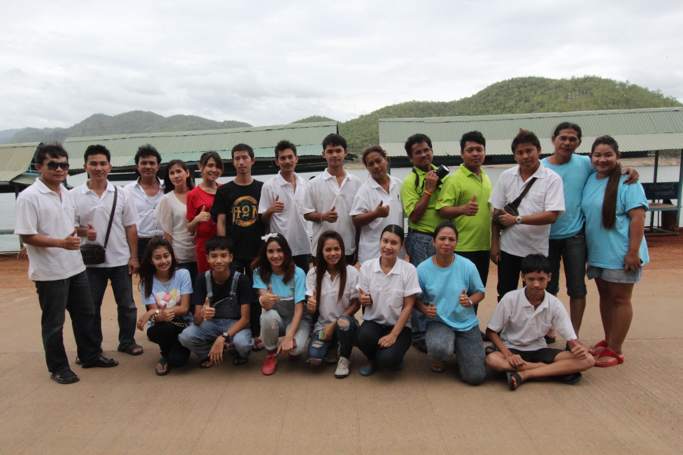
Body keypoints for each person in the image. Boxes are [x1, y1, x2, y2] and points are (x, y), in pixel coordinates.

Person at [15, 143, 118, 384]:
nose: (59, 169)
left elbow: (67, 226)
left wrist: (83, 231)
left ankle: (90, 355)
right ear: (39, 167)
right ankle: (58, 367)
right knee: (54, 322)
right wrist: (60, 243)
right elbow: (27, 235)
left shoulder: (66, 193)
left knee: (86, 313)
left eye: (63, 165)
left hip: (75, 266)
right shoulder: (29, 197)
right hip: (49, 272)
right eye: (53, 165)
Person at [542, 123, 639, 336]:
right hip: (546, 236)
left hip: (576, 236)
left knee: (577, 289)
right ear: (553, 139)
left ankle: (573, 334)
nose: (567, 143)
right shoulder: (541, 167)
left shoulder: (585, 163)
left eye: (573, 139)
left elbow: (607, 165)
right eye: (563, 138)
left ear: (579, 143)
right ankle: (548, 329)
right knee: (548, 287)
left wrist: (628, 169)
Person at [581, 135, 649, 368]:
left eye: (608, 155)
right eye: (597, 155)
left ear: (617, 156)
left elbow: (638, 217)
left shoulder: (628, 182)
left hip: (621, 253)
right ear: (591, 157)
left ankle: (616, 349)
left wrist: (633, 252)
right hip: (598, 253)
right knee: (606, 297)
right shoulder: (592, 179)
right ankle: (609, 340)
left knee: (620, 299)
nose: (602, 160)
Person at [71, 144, 143, 357]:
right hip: (90, 261)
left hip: (120, 259)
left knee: (127, 305)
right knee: (91, 307)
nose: (98, 168)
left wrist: (134, 257)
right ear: (85, 166)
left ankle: (127, 341)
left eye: (103, 163)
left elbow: (131, 226)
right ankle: (93, 347)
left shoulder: (121, 194)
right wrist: (84, 231)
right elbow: (67, 225)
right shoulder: (74, 195)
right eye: (93, 163)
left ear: (110, 166)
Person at [485, 254, 595, 390]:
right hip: (512, 348)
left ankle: (526, 373)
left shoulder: (554, 304)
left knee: (588, 359)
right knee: (492, 360)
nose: (536, 284)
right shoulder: (510, 299)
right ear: (523, 277)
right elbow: (491, 332)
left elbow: (571, 339)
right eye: (531, 279)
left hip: (539, 349)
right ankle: (548, 370)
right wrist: (508, 355)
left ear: (549, 277)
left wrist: (578, 348)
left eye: (541, 279)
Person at [490, 129, 564, 301]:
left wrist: (517, 219)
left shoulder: (552, 179)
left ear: (539, 150)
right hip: (508, 249)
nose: (525, 156)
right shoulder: (506, 176)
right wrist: (494, 244)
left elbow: (552, 215)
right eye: (520, 152)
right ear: (515, 156)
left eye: (529, 151)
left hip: (536, 251)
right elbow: (496, 212)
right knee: (505, 294)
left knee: (535, 295)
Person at [415, 221, 486, 385]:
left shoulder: (467, 266)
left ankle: (464, 350)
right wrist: (424, 309)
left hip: (466, 323)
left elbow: (480, 292)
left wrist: (469, 301)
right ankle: (442, 355)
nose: (446, 243)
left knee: (475, 377)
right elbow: (414, 299)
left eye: (451, 239)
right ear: (434, 242)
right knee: (439, 347)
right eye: (442, 238)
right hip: (438, 321)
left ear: (456, 242)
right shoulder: (422, 269)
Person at [212, 143, 265, 345]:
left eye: (244, 158)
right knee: (232, 293)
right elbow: (221, 221)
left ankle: (256, 334)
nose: (241, 162)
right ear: (233, 162)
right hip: (232, 251)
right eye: (237, 158)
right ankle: (233, 334)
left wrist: (263, 252)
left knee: (256, 293)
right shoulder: (224, 190)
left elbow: (267, 220)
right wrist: (223, 250)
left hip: (256, 251)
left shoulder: (262, 188)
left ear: (253, 160)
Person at [400, 133, 447, 351]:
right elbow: (415, 216)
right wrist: (428, 190)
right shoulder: (410, 182)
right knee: (421, 285)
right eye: (417, 152)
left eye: (426, 150)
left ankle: (441, 325)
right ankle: (419, 333)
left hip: (444, 238)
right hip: (421, 238)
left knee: (442, 284)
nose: (424, 154)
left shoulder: (445, 175)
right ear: (411, 158)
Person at [356, 225, 421, 376]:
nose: (388, 246)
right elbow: (362, 296)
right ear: (379, 242)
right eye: (385, 241)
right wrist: (363, 299)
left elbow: (408, 306)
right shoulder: (367, 267)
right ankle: (372, 360)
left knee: (388, 360)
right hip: (374, 322)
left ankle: (390, 357)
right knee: (363, 337)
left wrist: (393, 335)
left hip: (400, 327)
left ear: (401, 245)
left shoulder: (409, 270)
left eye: (394, 243)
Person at [178, 236, 252, 367]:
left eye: (223, 256)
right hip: (211, 324)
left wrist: (223, 336)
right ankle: (208, 353)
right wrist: (202, 314)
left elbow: (245, 319)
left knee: (243, 344)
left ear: (231, 257)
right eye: (214, 256)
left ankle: (236, 351)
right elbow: (196, 320)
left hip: (235, 324)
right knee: (185, 336)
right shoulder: (202, 279)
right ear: (207, 258)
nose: (218, 261)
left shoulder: (242, 280)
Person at [436, 131, 492, 302]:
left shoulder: (486, 177)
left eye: (479, 149)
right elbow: (441, 209)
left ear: (484, 152)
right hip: (462, 247)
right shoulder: (454, 179)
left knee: (477, 293)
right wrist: (462, 209)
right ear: (462, 154)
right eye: (470, 150)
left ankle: (471, 320)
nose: (475, 153)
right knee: (458, 295)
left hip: (483, 246)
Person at [252, 233, 310, 375]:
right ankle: (271, 353)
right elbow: (266, 307)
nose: (275, 255)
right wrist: (264, 300)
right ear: (265, 253)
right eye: (270, 251)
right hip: (276, 319)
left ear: (286, 252)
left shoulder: (298, 273)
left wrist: (289, 337)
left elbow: (299, 310)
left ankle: (291, 347)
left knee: (296, 350)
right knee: (267, 316)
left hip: (296, 319)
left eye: (279, 250)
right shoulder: (258, 272)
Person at [305, 231, 360, 378]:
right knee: (314, 359)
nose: (333, 253)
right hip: (323, 326)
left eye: (336, 249)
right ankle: (333, 345)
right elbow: (310, 307)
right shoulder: (313, 273)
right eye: (328, 250)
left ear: (342, 250)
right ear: (321, 252)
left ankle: (344, 358)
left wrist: (334, 324)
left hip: (345, 323)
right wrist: (310, 307)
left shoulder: (352, 272)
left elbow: (356, 304)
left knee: (344, 324)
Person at [136, 237, 192, 375]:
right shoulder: (146, 282)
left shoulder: (183, 274)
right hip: (162, 325)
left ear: (172, 256)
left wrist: (152, 313)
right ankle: (166, 354)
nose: (163, 261)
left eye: (166, 256)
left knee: (178, 361)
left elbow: (184, 308)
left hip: (183, 323)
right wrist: (156, 313)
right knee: (160, 330)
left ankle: (173, 352)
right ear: (151, 260)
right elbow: (157, 315)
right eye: (158, 258)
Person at [303, 133, 362, 264]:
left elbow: (359, 216)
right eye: (330, 151)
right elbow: (306, 214)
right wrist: (323, 216)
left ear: (345, 152)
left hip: (348, 247)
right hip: (321, 249)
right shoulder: (313, 184)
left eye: (338, 151)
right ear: (323, 154)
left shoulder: (356, 182)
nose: (334, 155)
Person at [259, 140, 311, 270]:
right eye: (282, 158)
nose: (287, 161)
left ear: (296, 159)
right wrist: (270, 210)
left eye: (290, 157)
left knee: (302, 280)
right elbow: (262, 219)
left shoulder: (305, 184)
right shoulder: (269, 186)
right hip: (280, 248)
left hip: (303, 245)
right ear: (277, 161)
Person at [351, 145, 404, 264]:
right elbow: (355, 220)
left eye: (378, 161)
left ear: (386, 160)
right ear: (367, 168)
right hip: (372, 253)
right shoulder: (364, 190)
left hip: (396, 251)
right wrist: (376, 214)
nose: (376, 166)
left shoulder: (399, 184)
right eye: (371, 164)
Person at [156, 159, 197, 278]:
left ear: (187, 173)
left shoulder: (198, 194)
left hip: (200, 253)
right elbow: (167, 233)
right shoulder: (167, 200)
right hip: (180, 256)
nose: (176, 176)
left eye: (179, 171)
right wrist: (171, 257)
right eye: (172, 173)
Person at [124, 144, 164, 262]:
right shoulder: (127, 191)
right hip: (139, 244)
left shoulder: (168, 187)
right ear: (137, 166)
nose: (148, 166)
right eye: (144, 163)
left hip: (165, 241)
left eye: (152, 163)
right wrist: (133, 256)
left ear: (158, 166)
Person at [187, 151, 222, 273]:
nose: (214, 169)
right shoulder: (193, 194)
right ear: (201, 166)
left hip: (223, 245)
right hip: (204, 247)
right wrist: (197, 219)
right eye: (210, 165)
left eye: (217, 166)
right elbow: (190, 229)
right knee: (206, 278)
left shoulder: (224, 190)